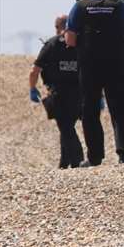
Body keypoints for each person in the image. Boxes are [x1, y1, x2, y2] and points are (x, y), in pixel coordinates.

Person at [65, 0, 124, 166]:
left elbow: (70, 39)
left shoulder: (80, 6)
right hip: (116, 65)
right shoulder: (118, 5)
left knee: (90, 110)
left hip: (89, 66)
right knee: (119, 107)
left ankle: (95, 157)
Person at [30, 15, 83, 169]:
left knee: (65, 127)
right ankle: (64, 163)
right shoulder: (81, 43)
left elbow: (34, 70)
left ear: (59, 26)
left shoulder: (51, 44)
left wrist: (32, 89)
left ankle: (77, 161)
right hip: (79, 92)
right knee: (67, 126)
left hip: (58, 93)